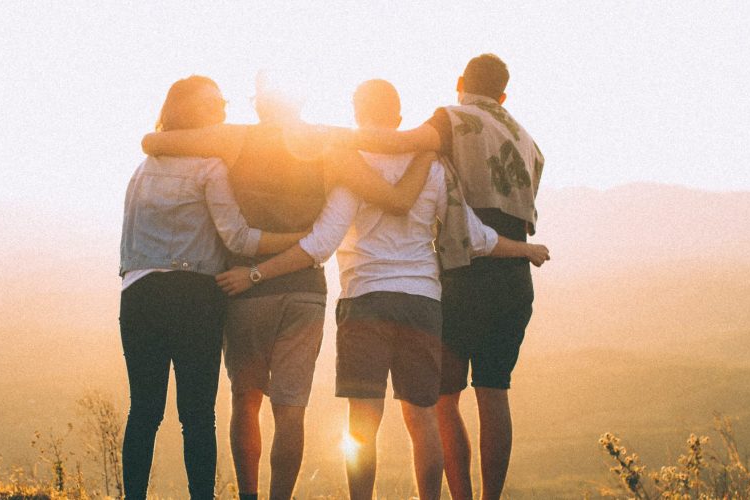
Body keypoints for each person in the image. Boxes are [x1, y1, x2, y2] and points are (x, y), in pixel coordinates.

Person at [216, 79, 549, 500]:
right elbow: (475, 236)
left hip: (365, 301)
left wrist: (257, 273)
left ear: (358, 114)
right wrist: (525, 248)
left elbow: (320, 244)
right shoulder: (432, 165)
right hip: (422, 303)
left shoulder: (352, 165)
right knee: (422, 418)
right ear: (397, 115)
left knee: (362, 423)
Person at [141, 75, 434, 500]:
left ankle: (249, 496)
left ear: (259, 102)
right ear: (300, 99)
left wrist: (155, 136)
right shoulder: (330, 142)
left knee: (246, 401)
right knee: (290, 409)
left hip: (245, 288)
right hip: (304, 291)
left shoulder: (233, 139)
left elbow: (154, 143)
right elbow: (391, 190)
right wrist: (429, 143)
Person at [351, 54, 547, 500]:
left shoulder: (451, 119)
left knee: (444, 399)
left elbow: (402, 144)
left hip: (464, 273)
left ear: (461, 82)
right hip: (514, 275)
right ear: (503, 94)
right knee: (495, 393)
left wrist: (330, 141)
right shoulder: (527, 140)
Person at [118, 75, 307, 500]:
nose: (222, 110)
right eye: (212, 104)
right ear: (187, 110)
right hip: (193, 298)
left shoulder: (142, 170)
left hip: (138, 295)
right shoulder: (210, 167)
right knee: (198, 415)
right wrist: (298, 239)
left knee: (144, 411)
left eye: (223, 101)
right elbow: (238, 239)